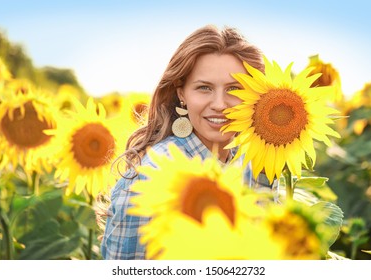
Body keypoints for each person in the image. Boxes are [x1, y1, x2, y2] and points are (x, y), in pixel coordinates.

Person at [100, 24, 278, 260]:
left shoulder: (255, 164)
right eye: (204, 88)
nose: (220, 104)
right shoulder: (148, 176)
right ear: (182, 94)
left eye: (235, 89)